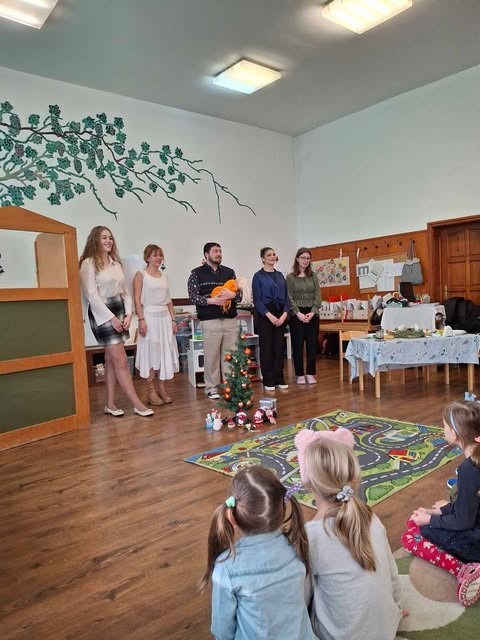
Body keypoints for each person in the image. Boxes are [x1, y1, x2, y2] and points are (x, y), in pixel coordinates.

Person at [295, 429, 404, 640]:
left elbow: (300, 599)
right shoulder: (371, 518)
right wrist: (396, 609)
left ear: (307, 482)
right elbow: (392, 573)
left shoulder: (311, 535)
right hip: (386, 630)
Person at [200, 465, 317, 640]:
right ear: (283, 507)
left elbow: (222, 631)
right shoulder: (297, 545)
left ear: (231, 517)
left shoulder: (227, 567)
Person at [401, 400, 480, 607]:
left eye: (444, 425)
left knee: (413, 535)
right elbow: (472, 505)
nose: (442, 429)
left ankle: (464, 570)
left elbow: (464, 521)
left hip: (476, 540)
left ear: (455, 433)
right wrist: (440, 511)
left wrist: (430, 520)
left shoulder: (469, 470)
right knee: (422, 522)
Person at [79, 226, 153, 417]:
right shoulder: (88, 263)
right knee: (120, 360)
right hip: (102, 313)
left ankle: (110, 404)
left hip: (119, 309)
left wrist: (128, 314)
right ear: (95, 240)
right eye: (104, 237)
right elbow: (92, 295)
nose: (108, 241)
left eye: (110, 238)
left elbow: (125, 293)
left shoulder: (115, 263)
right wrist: (111, 318)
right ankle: (137, 404)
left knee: (111, 360)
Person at [187, 242, 241, 400]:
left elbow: (239, 295)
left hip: (230, 320)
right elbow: (193, 296)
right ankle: (211, 388)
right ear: (206, 254)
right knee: (211, 357)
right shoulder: (196, 273)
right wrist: (212, 301)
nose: (219, 254)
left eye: (220, 251)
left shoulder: (229, 272)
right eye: (215, 251)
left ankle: (231, 386)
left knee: (230, 356)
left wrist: (233, 295)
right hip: (210, 321)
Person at [133, 244, 179, 406]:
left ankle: (162, 388)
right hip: (149, 318)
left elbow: (168, 300)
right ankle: (151, 391)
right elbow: (137, 299)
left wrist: (173, 320)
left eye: (160, 255)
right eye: (155, 255)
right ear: (147, 258)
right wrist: (141, 319)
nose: (158, 258)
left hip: (164, 318)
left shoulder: (164, 276)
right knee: (151, 353)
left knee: (163, 352)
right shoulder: (141, 275)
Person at [252, 247, 290, 392]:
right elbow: (257, 300)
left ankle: (279, 378)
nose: (273, 257)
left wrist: (284, 314)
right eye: (269, 255)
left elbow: (286, 297)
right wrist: (270, 315)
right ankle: (268, 379)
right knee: (267, 347)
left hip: (280, 313)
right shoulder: (258, 276)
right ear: (263, 258)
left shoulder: (280, 275)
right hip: (265, 315)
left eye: (274, 254)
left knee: (279, 347)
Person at [286, 248, 321, 385]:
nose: (305, 261)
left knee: (312, 345)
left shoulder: (313, 276)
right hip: (297, 314)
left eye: (308, 258)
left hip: (312, 313)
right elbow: (289, 297)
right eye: (303, 258)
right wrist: (298, 313)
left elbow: (318, 295)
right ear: (297, 259)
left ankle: (311, 373)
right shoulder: (290, 277)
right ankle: (300, 374)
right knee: (298, 345)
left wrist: (312, 312)